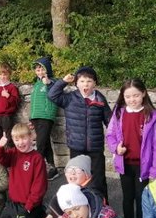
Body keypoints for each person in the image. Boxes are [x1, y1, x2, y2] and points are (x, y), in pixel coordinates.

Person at [105, 77, 156, 218]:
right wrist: (116, 148)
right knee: (127, 196)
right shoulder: (118, 113)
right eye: (128, 96)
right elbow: (110, 135)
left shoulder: (151, 116)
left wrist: (155, 169)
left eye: (136, 95)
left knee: (141, 197)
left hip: (143, 166)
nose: (132, 100)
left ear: (144, 94)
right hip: (125, 164)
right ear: (123, 97)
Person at [47, 65, 112, 195]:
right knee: (77, 180)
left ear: (95, 83)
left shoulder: (100, 99)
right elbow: (52, 95)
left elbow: (110, 122)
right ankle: (79, 207)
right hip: (76, 147)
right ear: (76, 83)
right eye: (82, 81)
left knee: (98, 181)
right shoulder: (70, 98)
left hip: (95, 148)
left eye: (89, 81)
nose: (85, 84)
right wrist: (63, 81)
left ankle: (103, 210)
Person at [0, 124, 47, 218]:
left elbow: (39, 186)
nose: (20, 143)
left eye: (23, 138)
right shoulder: (13, 153)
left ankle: (38, 215)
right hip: (13, 203)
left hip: (28, 205)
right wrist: (0, 146)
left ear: (31, 137)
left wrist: (29, 206)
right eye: (16, 139)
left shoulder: (37, 158)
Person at [25, 56, 59, 177]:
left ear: (48, 70)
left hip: (46, 117)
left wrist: (48, 83)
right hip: (37, 117)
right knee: (45, 143)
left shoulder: (53, 82)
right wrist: (31, 118)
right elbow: (34, 103)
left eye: (42, 69)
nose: (40, 72)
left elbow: (56, 91)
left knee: (40, 144)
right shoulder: (36, 85)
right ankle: (52, 168)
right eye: (38, 70)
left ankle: (34, 171)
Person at [0, 62, 21, 145]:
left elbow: (16, 102)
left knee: (9, 137)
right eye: (0, 74)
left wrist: (8, 96)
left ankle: (10, 155)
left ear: (9, 75)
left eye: (5, 74)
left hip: (7, 116)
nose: (2, 77)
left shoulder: (12, 87)